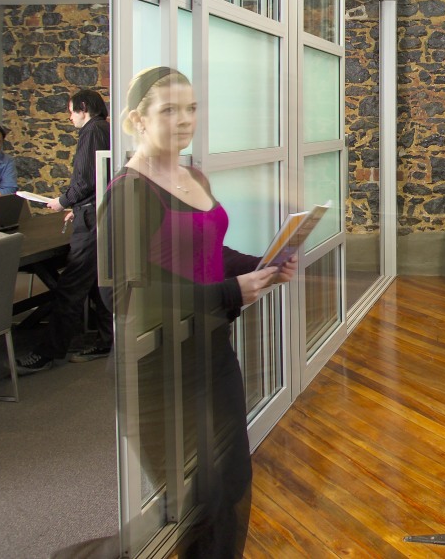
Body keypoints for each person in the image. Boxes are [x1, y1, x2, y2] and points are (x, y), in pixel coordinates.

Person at [101, 66, 297, 557]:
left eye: (192, 108)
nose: (186, 119)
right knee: (193, 503)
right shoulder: (129, 192)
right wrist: (230, 293)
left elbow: (208, 253)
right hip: (155, 366)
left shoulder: (194, 176)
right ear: (136, 120)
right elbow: (123, 296)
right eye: (169, 110)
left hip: (210, 352)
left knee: (227, 486)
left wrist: (261, 264)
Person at [17, 90, 113, 373]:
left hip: (92, 219)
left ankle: (48, 352)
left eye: (71, 111)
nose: (69, 117)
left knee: (71, 285)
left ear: (84, 108)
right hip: (98, 212)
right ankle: (108, 339)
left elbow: (85, 179)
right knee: (99, 281)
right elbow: (99, 179)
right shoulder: (105, 130)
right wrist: (79, 204)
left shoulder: (92, 130)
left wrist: (63, 201)